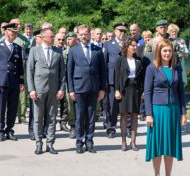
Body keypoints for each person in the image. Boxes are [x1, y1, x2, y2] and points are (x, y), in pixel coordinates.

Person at [144, 40, 187, 176]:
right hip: (158, 111)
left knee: (170, 145)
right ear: (159, 52)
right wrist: (148, 114)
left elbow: (181, 92)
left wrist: (183, 113)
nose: (167, 53)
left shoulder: (177, 68)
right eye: (164, 51)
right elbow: (147, 92)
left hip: (173, 110)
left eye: (169, 51)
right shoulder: (152, 68)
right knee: (158, 145)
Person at [67, 25, 107, 154]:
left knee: (91, 116)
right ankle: (79, 142)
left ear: (90, 34)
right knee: (79, 117)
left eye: (86, 34)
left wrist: (102, 89)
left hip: (94, 88)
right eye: (81, 34)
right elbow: (69, 72)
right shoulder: (73, 50)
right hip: (79, 88)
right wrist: (71, 90)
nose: (84, 36)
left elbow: (103, 71)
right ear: (78, 36)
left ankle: (89, 142)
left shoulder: (98, 50)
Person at [26, 28, 66, 155]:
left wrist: (61, 89)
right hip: (39, 90)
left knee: (52, 117)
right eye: (51, 36)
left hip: (54, 90)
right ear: (43, 38)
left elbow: (62, 72)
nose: (53, 38)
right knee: (38, 117)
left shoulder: (58, 51)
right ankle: (39, 143)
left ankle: (50, 143)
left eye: (53, 36)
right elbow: (29, 71)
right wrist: (31, 89)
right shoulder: (34, 51)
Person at [0, 22, 25, 141]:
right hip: (2, 80)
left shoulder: (17, 47)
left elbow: (20, 66)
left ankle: (9, 129)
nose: (14, 34)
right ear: (6, 32)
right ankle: (0, 130)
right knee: (1, 107)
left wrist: (21, 81)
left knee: (13, 107)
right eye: (12, 32)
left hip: (14, 81)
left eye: (15, 33)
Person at [115, 38, 144, 151]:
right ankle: (123, 141)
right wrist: (117, 90)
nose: (134, 47)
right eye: (132, 45)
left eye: (135, 45)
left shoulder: (138, 60)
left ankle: (133, 142)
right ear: (127, 47)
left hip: (135, 90)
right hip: (124, 90)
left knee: (134, 116)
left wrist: (143, 91)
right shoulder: (120, 59)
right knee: (124, 115)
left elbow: (141, 77)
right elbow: (116, 76)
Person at [103, 23, 127, 137]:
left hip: (126, 78)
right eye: (120, 30)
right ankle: (111, 127)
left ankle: (127, 127)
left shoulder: (128, 43)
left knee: (126, 104)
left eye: (124, 31)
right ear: (115, 31)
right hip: (112, 78)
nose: (122, 33)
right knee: (112, 105)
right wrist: (105, 80)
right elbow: (104, 63)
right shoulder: (108, 44)